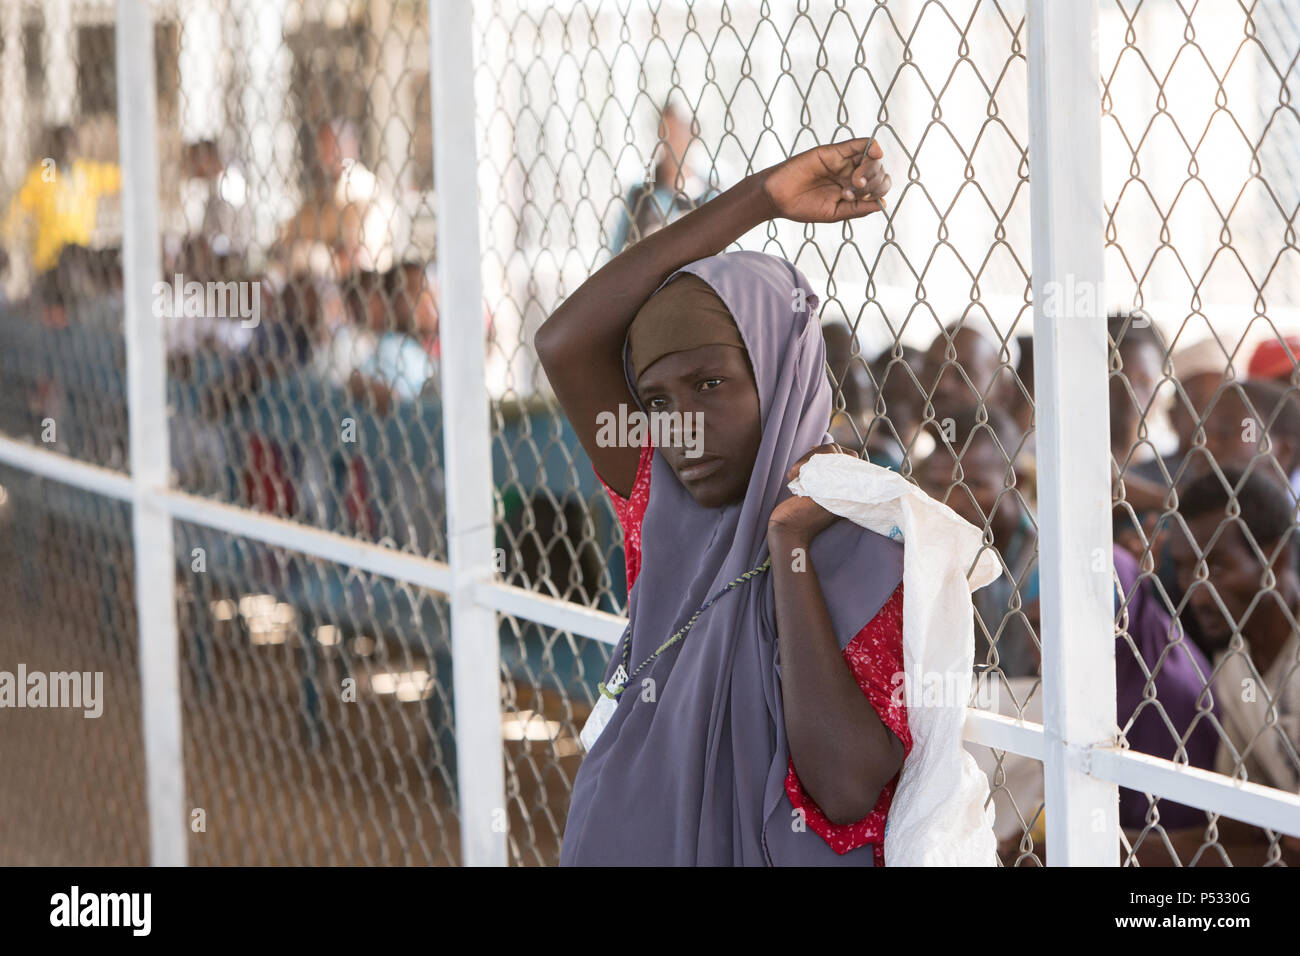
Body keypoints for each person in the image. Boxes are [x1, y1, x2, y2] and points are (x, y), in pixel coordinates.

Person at [537, 137, 906, 865]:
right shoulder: (661, 501)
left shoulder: (867, 536)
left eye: (710, 385)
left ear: (782, 372)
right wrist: (761, 198)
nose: (682, 428)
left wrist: (788, 548)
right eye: (657, 401)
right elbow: (563, 341)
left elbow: (845, 788)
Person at [1165, 467, 1300, 864]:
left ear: (1275, 560)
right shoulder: (1235, 667)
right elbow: (1239, 822)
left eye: (1217, 568)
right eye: (1185, 569)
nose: (1197, 594)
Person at [918, 403, 1039, 678]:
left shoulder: (1048, 559)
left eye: (971, 485)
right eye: (937, 486)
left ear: (1015, 482)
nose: (951, 503)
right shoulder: (931, 555)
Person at [609, 102, 720, 254]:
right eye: (664, 133)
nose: (669, 141)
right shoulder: (641, 192)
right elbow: (613, 252)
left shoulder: (711, 191)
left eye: (677, 132)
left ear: (694, 134)